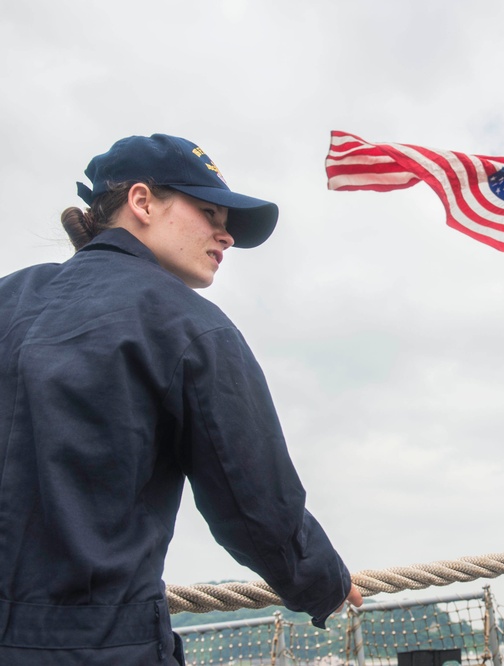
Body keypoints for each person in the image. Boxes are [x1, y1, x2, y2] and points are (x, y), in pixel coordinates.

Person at [0, 134, 361, 664]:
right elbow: (254, 504)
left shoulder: (9, 296)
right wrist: (324, 582)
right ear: (142, 202)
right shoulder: (189, 326)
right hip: (98, 647)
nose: (227, 236)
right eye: (210, 213)